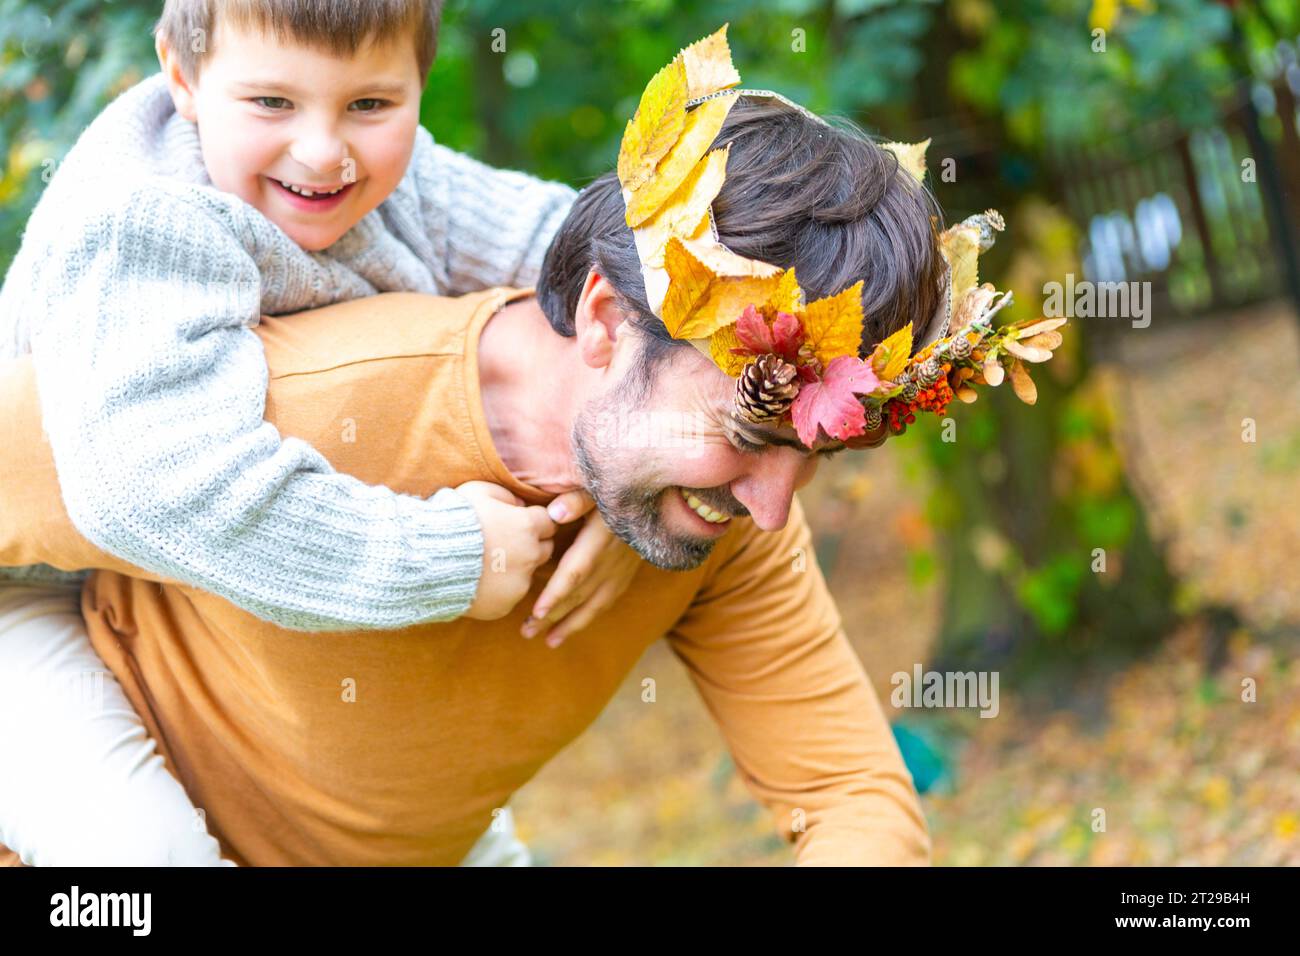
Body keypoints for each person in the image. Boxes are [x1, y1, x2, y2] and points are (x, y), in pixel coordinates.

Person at [0, 89, 945, 865]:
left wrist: (640, 501)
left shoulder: (716, 512)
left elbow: (848, 794)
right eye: (745, 431)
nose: (774, 510)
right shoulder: (265, 404)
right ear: (607, 325)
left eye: (810, 454)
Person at [0, 0, 644, 865]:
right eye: (271, 103)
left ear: (417, 83)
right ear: (183, 76)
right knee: (144, 856)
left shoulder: (405, 184)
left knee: (436, 837)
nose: (322, 151)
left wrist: (621, 458)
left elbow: (586, 258)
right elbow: (148, 493)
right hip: (29, 591)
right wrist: (451, 558)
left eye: (370, 105)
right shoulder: (142, 224)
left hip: (177, 589)